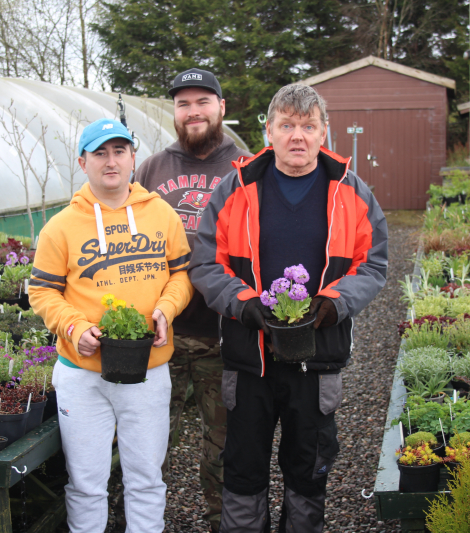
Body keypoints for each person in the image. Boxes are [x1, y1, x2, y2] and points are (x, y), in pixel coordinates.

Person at [189, 84, 388, 532]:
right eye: (287, 126)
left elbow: (373, 264)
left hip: (316, 359)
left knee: (308, 468)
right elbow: (205, 263)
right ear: (269, 131)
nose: (297, 136)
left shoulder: (351, 193)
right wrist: (245, 305)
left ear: (324, 133)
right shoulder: (234, 190)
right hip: (249, 358)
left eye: (308, 126)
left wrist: (334, 303)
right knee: (242, 468)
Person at [29, 118, 193, 533]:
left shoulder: (161, 214)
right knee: (85, 483)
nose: (110, 161)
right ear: (82, 162)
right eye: (100, 153)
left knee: (146, 478)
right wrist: (72, 326)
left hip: (148, 368)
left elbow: (182, 274)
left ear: (133, 157)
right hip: (83, 376)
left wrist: (166, 310)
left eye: (119, 151)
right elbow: (43, 292)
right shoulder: (61, 227)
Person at [132, 67, 251, 533]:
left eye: (203, 101)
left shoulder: (246, 168)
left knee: (224, 444)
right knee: (148, 443)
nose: (193, 111)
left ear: (222, 107)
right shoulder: (151, 169)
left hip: (223, 335)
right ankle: (145, 522)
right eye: (184, 103)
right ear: (174, 112)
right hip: (160, 335)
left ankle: (221, 521)